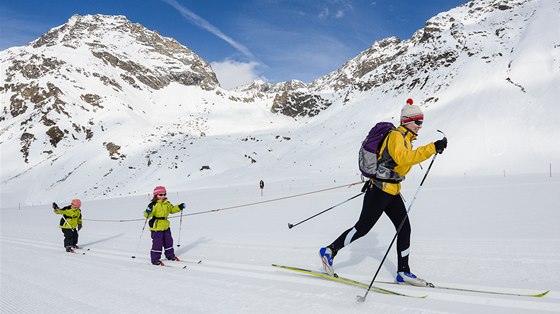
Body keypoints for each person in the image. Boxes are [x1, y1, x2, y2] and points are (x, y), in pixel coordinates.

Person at [319, 98, 447, 286]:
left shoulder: (406, 139)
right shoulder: (396, 136)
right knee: (362, 228)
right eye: (418, 122)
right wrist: (431, 148)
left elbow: (401, 165)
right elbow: (403, 159)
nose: (420, 126)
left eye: (421, 122)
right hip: (379, 191)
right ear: (407, 121)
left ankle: (403, 271)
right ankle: (329, 251)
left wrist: (432, 149)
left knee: (404, 228)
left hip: (392, 190)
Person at [144, 186, 186, 266]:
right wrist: (148, 211)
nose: (163, 196)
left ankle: (170, 255)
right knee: (157, 243)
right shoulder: (153, 204)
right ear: (156, 195)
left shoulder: (167, 203)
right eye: (160, 194)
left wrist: (179, 207)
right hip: (156, 227)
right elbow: (147, 215)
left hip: (166, 225)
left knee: (169, 241)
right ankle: (155, 259)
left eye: (164, 194)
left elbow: (172, 210)